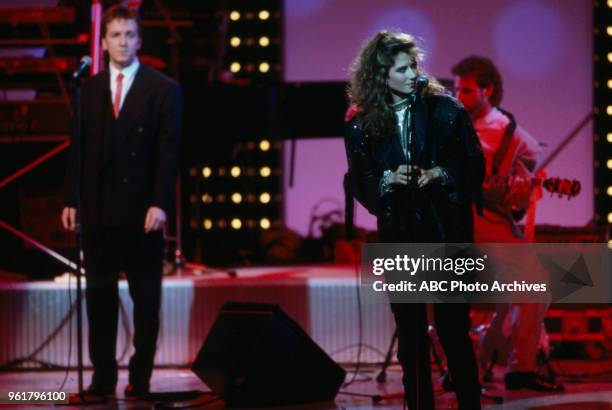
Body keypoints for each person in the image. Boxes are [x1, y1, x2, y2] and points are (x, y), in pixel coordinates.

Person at [345, 31, 485, 410]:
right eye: (402, 69)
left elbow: (473, 165)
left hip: (446, 231)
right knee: (411, 336)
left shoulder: (446, 110)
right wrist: (387, 181)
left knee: (454, 331)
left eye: (414, 67)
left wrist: (438, 174)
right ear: (381, 75)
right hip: (401, 233)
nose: (413, 75)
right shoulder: (362, 125)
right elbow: (360, 179)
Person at [61, 5, 182, 398]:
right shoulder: (88, 89)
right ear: (103, 41)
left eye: (129, 35)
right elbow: (77, 150)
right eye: (116, 35)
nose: (123, 42)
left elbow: (169, 153)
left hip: (142, 213)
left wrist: (160, 202)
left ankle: (140, 377)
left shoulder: (163, 89)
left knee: (146, 301)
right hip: (98, 212)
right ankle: (102, 379)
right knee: (99, 300)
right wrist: (72, 200)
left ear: (140, 40)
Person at [452, 56, 563, 392]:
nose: (459, 96)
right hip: (448, 219)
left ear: (488, 90)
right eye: (456, 89)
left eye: (467, 91)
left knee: (535, 285)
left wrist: (518, 192)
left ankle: (521, 369)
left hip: (487, 222)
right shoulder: (446, 121)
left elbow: (520, 196)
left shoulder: (513, 136)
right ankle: (456, 368)